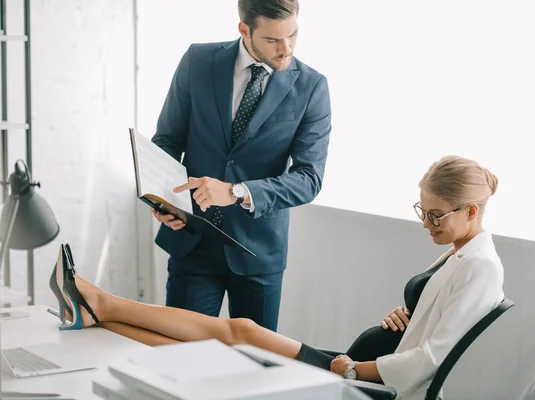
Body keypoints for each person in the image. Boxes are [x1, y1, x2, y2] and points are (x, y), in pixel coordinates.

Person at [51, 156, 504, 400]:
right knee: (230, 338)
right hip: (356, 364)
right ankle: (97, 313)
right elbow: (437, 320)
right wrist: (408, 313)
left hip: (361, 381)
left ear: (471, 210)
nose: (426, 224)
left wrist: (350, 367)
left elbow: (431, 360)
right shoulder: (462, 252)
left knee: (237, 334)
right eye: (422, 212)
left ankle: (99, 304)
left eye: (435, 215)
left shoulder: (480, 266)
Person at [149, 0, 331, 331]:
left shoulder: (311, 87)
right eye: (273, 40)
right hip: (193, 241)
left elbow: (309, 178)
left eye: (293, 35)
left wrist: (236, 192)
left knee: (256, 370)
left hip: (258, 250)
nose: (285, 49)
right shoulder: (198, 61)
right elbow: (166, 141)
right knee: (180, 359)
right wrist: (164, 200)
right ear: (244, 29)